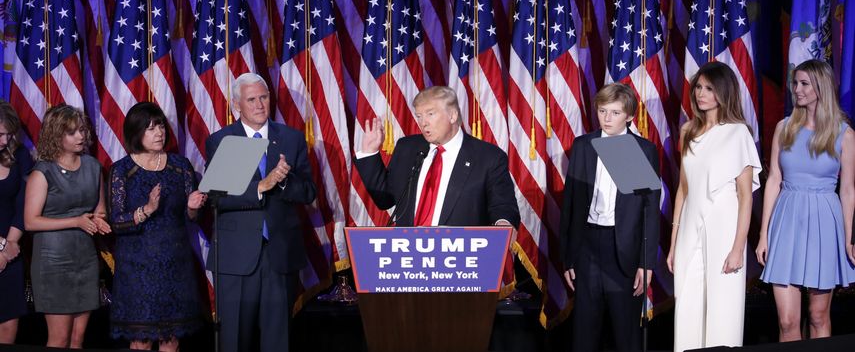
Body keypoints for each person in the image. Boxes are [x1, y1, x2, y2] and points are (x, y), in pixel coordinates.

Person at [204, 73, 316, 352]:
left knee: (278, 340)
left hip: (279, 254)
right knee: (234, 340)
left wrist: (284, 179)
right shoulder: (223, 140)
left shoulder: (290, 138)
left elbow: (308, 192)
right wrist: (262, 186)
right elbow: (218, 199)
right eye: (251, 99)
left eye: (263, 97)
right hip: (236, 257)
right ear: (236, 105)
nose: (259, 104)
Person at [755, 59, 855, 341]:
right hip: (787, 220)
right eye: (795, 83)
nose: (796, 90)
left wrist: (848, 238)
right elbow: (773, 179)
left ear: (821, 88)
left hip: (824, 222)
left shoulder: (845, 135)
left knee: (818, 316)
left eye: (803, 84)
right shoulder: (784, 127)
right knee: (787, 321)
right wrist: (764, 235)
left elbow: (848, 191)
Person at [666, 62, 761, 351]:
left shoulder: (738, 133)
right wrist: (673, 244)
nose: (700, 94)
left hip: (724, 227)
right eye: (698, 87)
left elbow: (746, 197)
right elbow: (683, 190)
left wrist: (737, 247)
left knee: (723, 306)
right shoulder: (688, 132)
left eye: (708, 88)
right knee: (688, 303)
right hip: (689, 227)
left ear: (723, 92)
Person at [559, 83, 660, 352]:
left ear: (629, 116)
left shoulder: (639, 149)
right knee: (584, 330)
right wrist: (569, 255)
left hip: (623, 250)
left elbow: (648, 211)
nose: (606, 118)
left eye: (615, 113)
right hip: (588, 246)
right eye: (602, 111)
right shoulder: (584, 146)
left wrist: (646, 261)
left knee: (625, 332)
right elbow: (570, 203)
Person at [108, 102, 206, 349]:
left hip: (175, 264)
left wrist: (193, 207)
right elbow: (117, 221)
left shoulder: (180, 166)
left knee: (170, 340)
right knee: (141, 342)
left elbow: (190, 218)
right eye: (150, 128)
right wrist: (147, 210)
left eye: (160, 125)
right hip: (137, 268)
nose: (159, 132)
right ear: (135, 133)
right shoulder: (122, 170)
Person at [355, 85, 520, 229]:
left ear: (452, 115)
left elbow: (503, 206)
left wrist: (503, 223)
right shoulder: (407, 148)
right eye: (419, 116)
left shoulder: (488, 157)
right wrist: (369, 153)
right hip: (408, 255)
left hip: (459, 256)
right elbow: (385, 199)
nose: (423, 122)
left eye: (430, 114)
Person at [24, 105, 111, 348]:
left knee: (77, 339)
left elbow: (100, 209)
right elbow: (30, 221)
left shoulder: (93, 167)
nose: (81, 136)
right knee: (59, 338)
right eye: (72, 132)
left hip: (85, 259)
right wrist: (75, 221)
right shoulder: (42, 173)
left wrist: (99, 219)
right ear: (56, 135)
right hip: (53, 263)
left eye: (82, 130)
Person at [0, 101, 34, 344]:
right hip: (3, 248)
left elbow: (24, 204)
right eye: (1, 134)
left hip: (12, 248)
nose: (5, 140)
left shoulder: (20, 155)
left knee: (8, 324)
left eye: (9, 134)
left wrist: (9, 245)